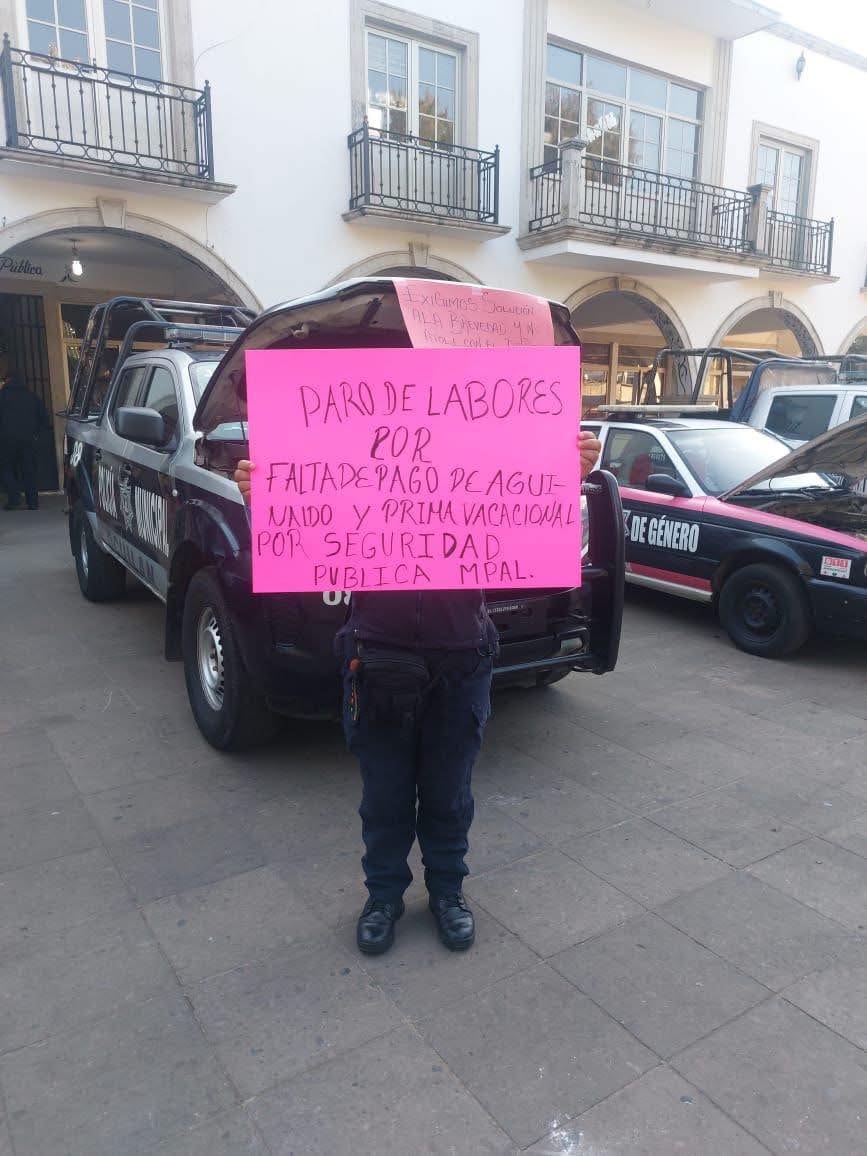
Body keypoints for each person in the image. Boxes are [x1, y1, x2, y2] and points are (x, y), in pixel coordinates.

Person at [235, 430, 602, 955]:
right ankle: (382, 898)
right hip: (376, 656)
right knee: (383, 795)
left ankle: (448, 893)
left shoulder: (478, 460)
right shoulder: (359, 463)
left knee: (448, 793)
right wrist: (266, 503)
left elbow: (526, 529)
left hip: (461, 658)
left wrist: (564, 480)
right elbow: (305, 538)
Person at [0, 372, 50, 511]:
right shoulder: (33, 397)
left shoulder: (2, 397)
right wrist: (36, 434)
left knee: (6, 469)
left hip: (6, 441)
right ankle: (33, 502)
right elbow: (44, 420)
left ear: (7, 381)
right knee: (29, 471)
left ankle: (14, 497)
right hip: (28, 440)